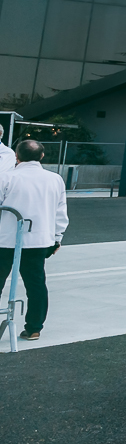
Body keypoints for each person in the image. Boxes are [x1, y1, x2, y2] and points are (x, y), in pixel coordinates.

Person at [0, 140, 70, 342]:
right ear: (42, 156)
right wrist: (57, 239)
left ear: (16, 156)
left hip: (5, 240)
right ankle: (34, 328)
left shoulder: (6, 178)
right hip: (38, 240)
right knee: (36, 284)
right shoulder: (55, 179)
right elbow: (60, 212)